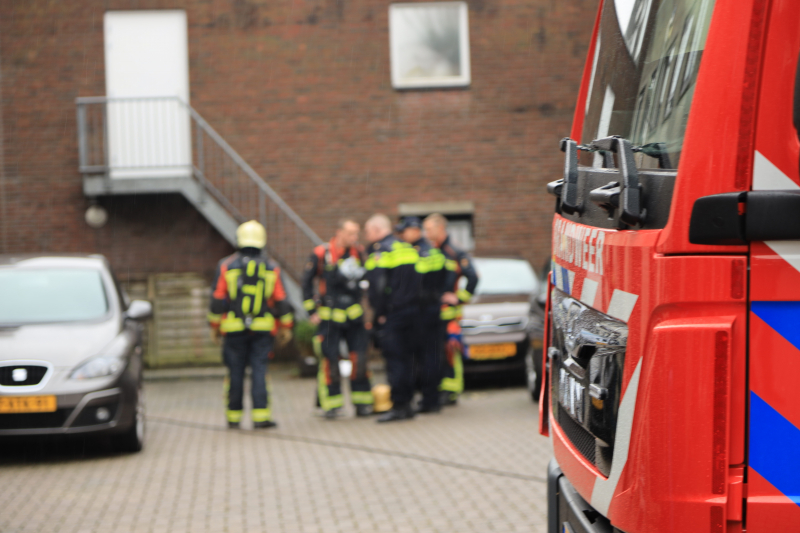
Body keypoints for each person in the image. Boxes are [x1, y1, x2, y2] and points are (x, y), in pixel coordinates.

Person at [208, 220, 294, 429]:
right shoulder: (271, 267)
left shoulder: (226, 265)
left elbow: (217, 300)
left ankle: (233, 418)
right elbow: (282, 299)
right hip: (263, 329)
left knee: (235, 373)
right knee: (259, 371)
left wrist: (215, 327)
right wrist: (286, 327)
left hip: (233, 329)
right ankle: (260, 417)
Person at [301, 218, 373, 419]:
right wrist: (311, 311)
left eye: (356, 233)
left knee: (359, 360)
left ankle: (362, 404)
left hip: (354, 319)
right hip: (330, 319)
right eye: (351, 233)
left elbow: (366, 280)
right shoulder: (322, 254)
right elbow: (306, 283)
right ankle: (332, 406)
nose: (354, 237)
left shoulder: (358, 253)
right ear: (339, 232)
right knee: (330, 362)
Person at [364, 213, 421, 423]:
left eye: (368, 231)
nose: (367, 236)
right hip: (413, 313)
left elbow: (377, 288)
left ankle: (398, 405)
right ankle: (409, 403)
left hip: (392, 315)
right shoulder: (407, 248)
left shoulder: (380, 252)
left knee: (395, 360)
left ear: (378, 230)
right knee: (408, 359)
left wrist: (379, 314)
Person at [422, 213, 479, 406]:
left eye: (429, 229)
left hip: (450, 315)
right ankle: (441, 387)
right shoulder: (432, 250)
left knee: (450, 350)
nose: (426, 233)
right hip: (434, 313)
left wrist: (458, 298)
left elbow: (473, 278)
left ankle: (452, 391)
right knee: (437, 353)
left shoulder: (454, 250)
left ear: (440, 228)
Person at [396, 216, 449, 413]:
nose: (402, 235)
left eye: (405, 231)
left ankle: (429, 400)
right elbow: (443, 279)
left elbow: (414, 284)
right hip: (433, 309)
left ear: (415, 231)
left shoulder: (417, 253)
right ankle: (432, 399)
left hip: (422, 312)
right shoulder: (435, 251)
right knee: (432, 357)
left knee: (423, 358)